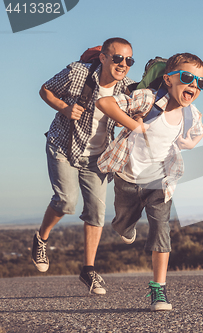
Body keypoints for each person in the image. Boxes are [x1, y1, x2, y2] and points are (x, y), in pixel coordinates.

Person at [96, 53, 203, 311]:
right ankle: (125, 226)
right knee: (123, 225)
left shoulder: (191, 115)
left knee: (162, 230)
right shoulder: (148, 99)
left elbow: (199, 134)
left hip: (160, 181)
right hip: (127, 176)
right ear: (168, 79)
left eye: (200, 83)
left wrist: (188, 143)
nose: (193, 85)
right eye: (187, 77)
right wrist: (134, 126)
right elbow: (105, 102)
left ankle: (159, 290)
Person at [32, 37, 135, 295]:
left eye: (129, 60)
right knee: (66, 202)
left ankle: (88, 270)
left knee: (96, 213)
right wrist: (64, 108)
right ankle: (41, 238)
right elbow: (45, 89)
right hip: (64, 146)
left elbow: (146, 106)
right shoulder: (78, 73)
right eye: (118, 58)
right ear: (103, 57)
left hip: (98, 156)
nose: (123, 64)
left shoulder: (128, 88)